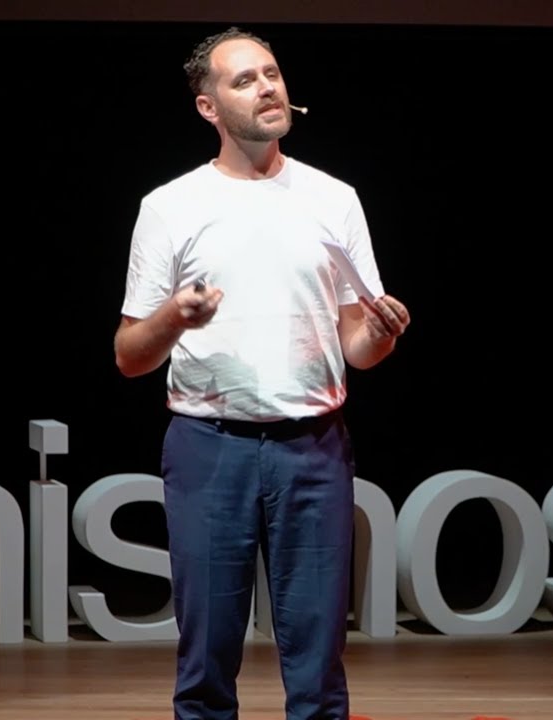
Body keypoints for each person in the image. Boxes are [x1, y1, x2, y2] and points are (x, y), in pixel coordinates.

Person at [113, 26, 410, 720]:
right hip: (209, 448)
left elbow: (357, 349)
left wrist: (382, 333)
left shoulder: (334, 199)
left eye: (271, 73)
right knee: (207, 659)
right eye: (243, 79)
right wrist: (174, 320)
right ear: (208, 106)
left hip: (315, 448)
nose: (267, 87)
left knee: (318, 662)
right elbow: (130, 354)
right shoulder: (170, 207)